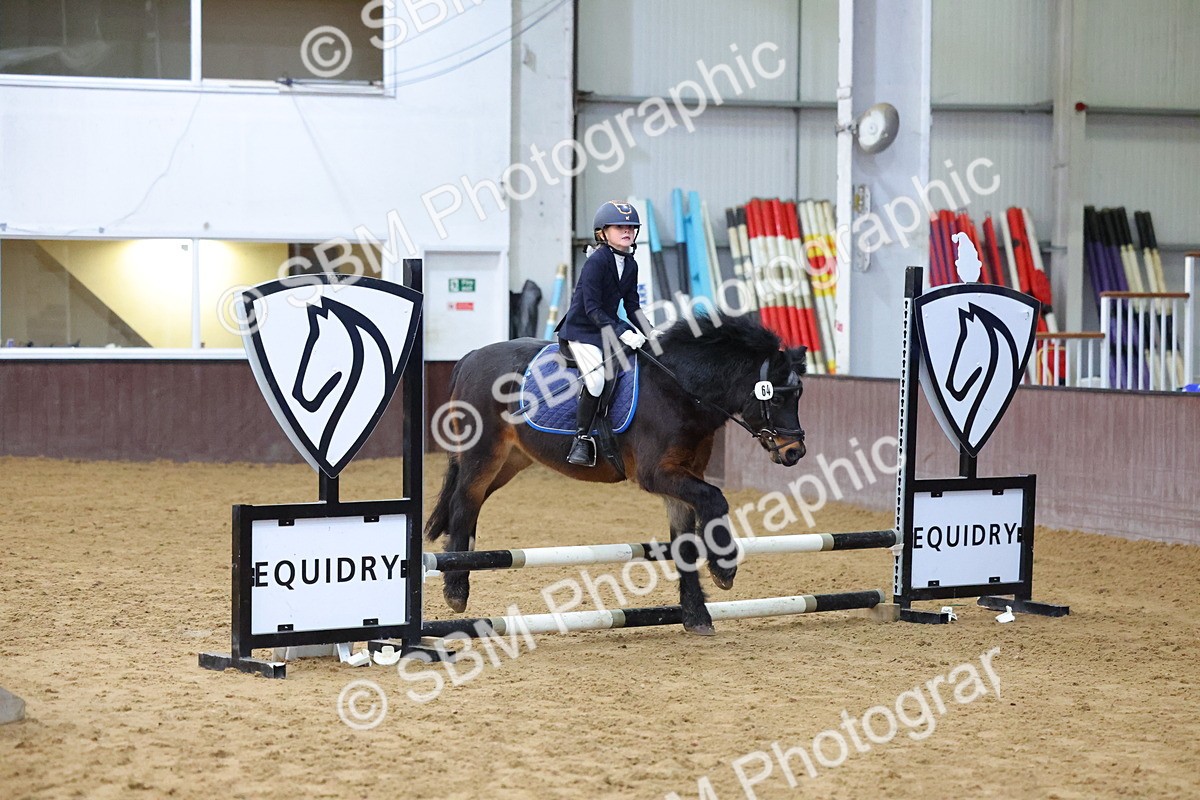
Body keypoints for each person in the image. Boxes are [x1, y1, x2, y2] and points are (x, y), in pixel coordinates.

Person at [555, 201, 651, 467]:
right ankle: (581, 438)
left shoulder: (630, 264)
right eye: (620, 227)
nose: (627, 231)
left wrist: (651, 332)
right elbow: (593, 308)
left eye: (631, 227)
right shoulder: (597, 261)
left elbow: (632, 305)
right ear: (602, 232)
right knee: (596, 381)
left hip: (606, 327)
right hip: (582, 330)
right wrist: (622, 331)